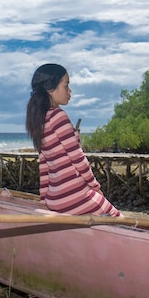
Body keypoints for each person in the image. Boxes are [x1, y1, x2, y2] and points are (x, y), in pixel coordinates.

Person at [25, 63, 122, 217]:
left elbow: (44, 164)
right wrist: (96, 188)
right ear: (51, 88)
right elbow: (78, 158)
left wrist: (44, 199)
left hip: (54, 200)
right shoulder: (58, 116)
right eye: (66, 86)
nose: (70, 91)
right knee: (122, 222)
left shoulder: (40, 121)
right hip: (77, 196)